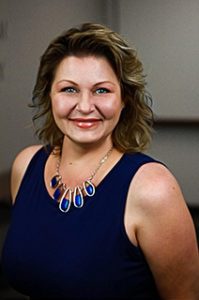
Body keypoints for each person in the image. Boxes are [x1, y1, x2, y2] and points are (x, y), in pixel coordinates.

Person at [1, 22, 199, 299]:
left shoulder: (154, 189)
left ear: (124, 99)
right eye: (69, 89)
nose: (84, 106)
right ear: (50, 94)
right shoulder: (26, 165)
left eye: (102, 90)